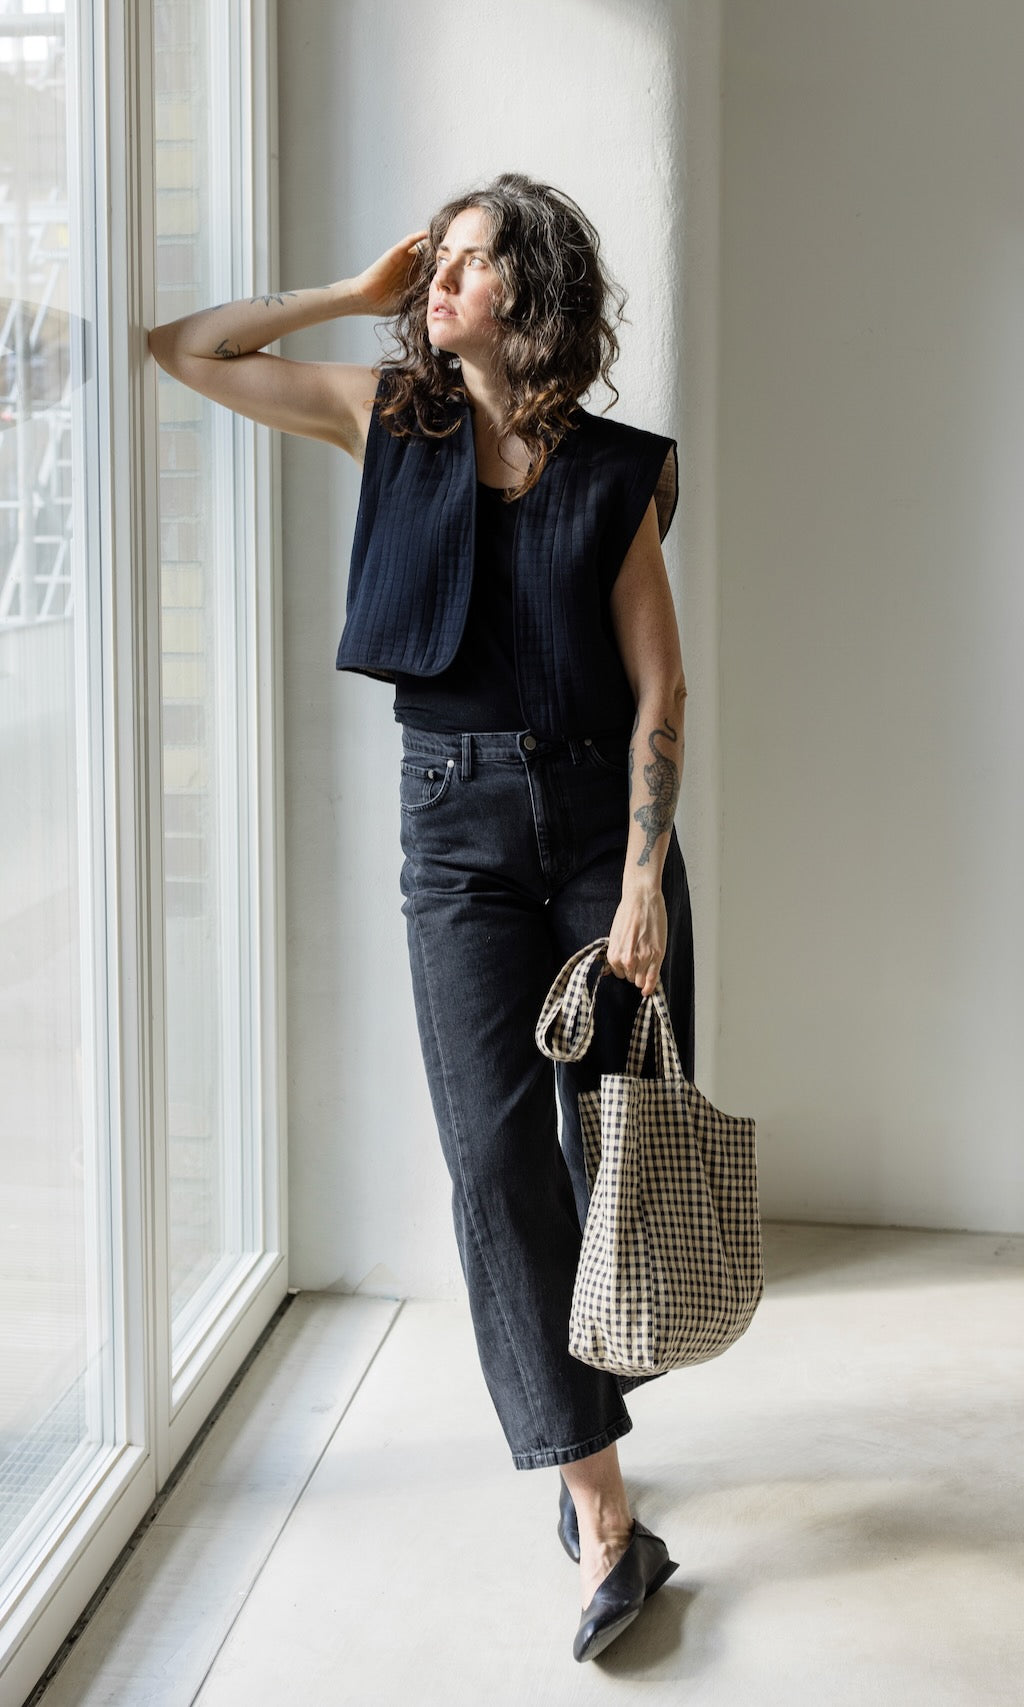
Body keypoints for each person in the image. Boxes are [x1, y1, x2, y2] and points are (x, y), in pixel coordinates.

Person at [148, 171, 695, 1663]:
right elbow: (184, 349)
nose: (440, 278)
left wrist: (645, 877)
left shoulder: (613, 470)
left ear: (533, 289)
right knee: (493, 1160)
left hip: (600, 829)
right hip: (452, 831)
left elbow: (660, 685)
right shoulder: (390, 417)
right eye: (436, 260)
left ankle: (590, 1419)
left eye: (469, 260)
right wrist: (352, 289)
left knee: (617, 1147)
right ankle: (602, 1509)